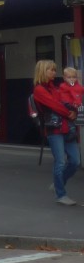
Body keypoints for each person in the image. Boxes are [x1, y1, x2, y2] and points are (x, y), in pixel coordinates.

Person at [32, 59, 80, 205]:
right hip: (55, 131)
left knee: (75, 161)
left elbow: (63, 102)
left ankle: (58, 183)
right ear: (43, 71)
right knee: (60, 162)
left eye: (54, 69)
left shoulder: (55, 88)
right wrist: (69, 113)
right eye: (51, 70)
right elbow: (55, 106)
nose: (54, 72)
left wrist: (74, 111)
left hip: (66, 128)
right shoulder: (39, 90)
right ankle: (61, 194)